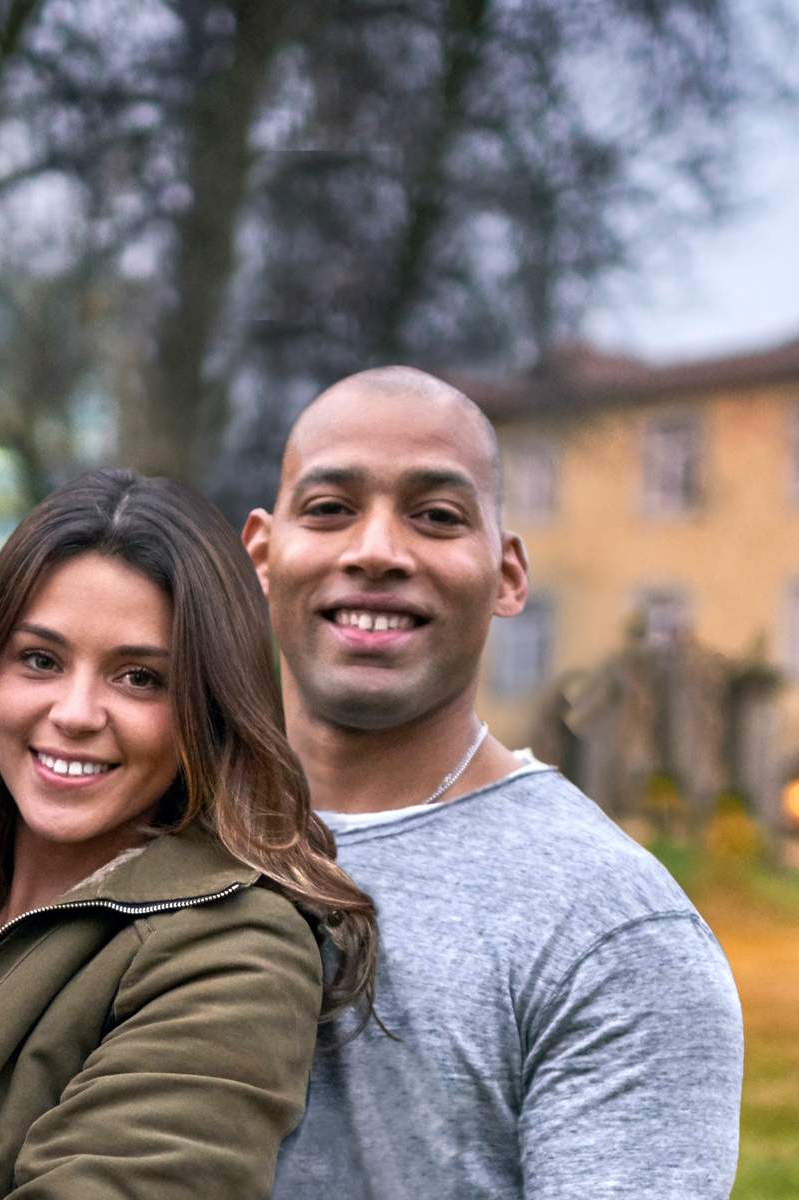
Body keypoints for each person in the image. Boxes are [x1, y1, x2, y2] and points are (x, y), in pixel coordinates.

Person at [244, 368, 746, 1200]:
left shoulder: (612, 932)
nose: (375, 551)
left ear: (508, 574)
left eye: (436, 516)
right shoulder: (160, 833)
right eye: (331, 509)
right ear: (264, 553)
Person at [0, 469, 379, 1200]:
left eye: (138, 678)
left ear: (206, 710)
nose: (75, 712)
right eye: (40, 660)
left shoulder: (233, 951)